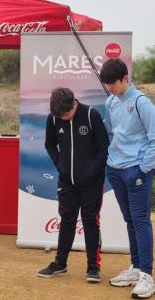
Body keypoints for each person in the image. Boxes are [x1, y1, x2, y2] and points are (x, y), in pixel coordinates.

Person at [37, 87, 108, 283]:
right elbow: (49, 144)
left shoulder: (91, 114)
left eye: (67, 114)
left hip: (92, 182)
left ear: (74, 103)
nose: (64, 118)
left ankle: (93, 267)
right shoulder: (54, 118)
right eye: (60, 115)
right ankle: (61, 263)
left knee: (89, 220)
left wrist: (93, 171)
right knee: (67, 219)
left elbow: (104, 146)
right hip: (66, 181)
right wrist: (60, 164)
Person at [99, 58, 155, 298]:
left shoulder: (142, 102)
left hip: (136, 170)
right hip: (115, 168)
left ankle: (146, 275)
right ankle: (135, 267)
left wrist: (143, 168)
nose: (110, 88)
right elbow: (114, 133)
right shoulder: (110, 101)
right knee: (129, 219)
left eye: (113, 83)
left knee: (141, 219)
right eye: (107, 84)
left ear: (125, 79)